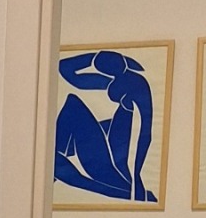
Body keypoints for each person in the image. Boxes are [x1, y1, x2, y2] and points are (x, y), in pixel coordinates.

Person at [54, 49, 158, 203]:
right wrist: (94, 57)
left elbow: (145, 136)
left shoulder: (135, 88)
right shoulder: (121, 80)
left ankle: (55, 167)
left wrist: (136, 179)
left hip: (110, 169)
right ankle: (55, 165)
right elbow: (65, 69)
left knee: (73, 105)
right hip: (108, 158)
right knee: (75, 107)